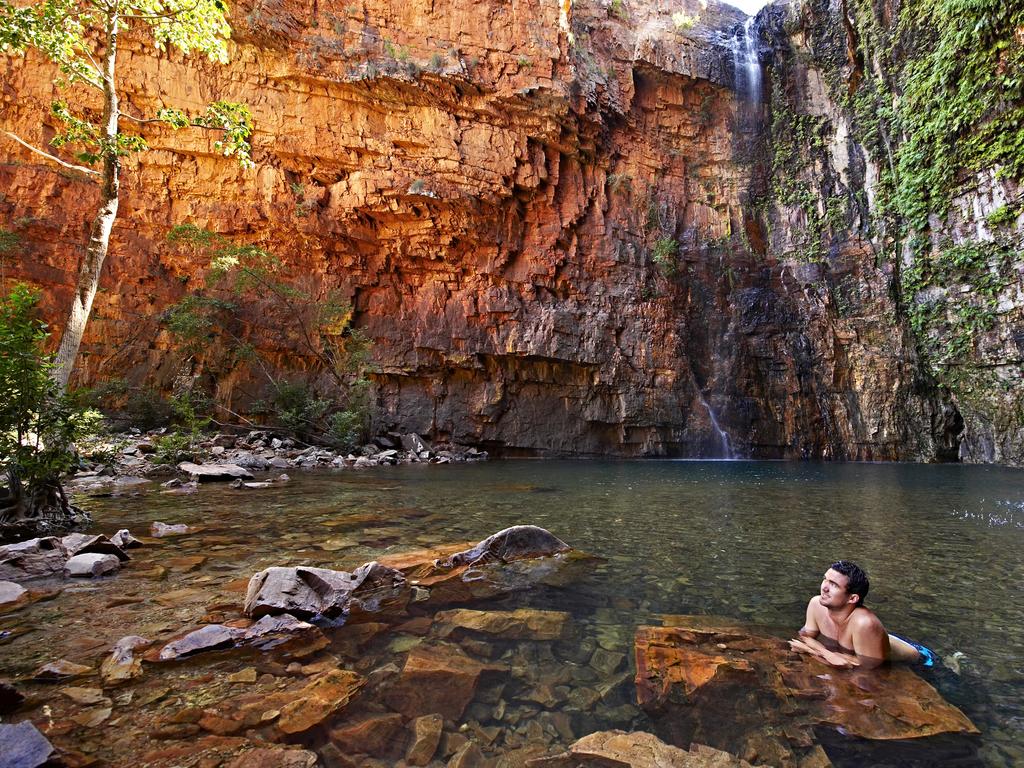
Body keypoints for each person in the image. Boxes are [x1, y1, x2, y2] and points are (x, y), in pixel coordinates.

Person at [789, 560, 923, 669]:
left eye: (834, 585)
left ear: (852, 598)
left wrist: (814, 651)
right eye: (825, 579)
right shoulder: (816, 604)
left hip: (921, 662)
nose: (824, 587)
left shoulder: (864, 623)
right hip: (877, 642)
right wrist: (825, 653)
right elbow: (804, 636)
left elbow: (867, 667)